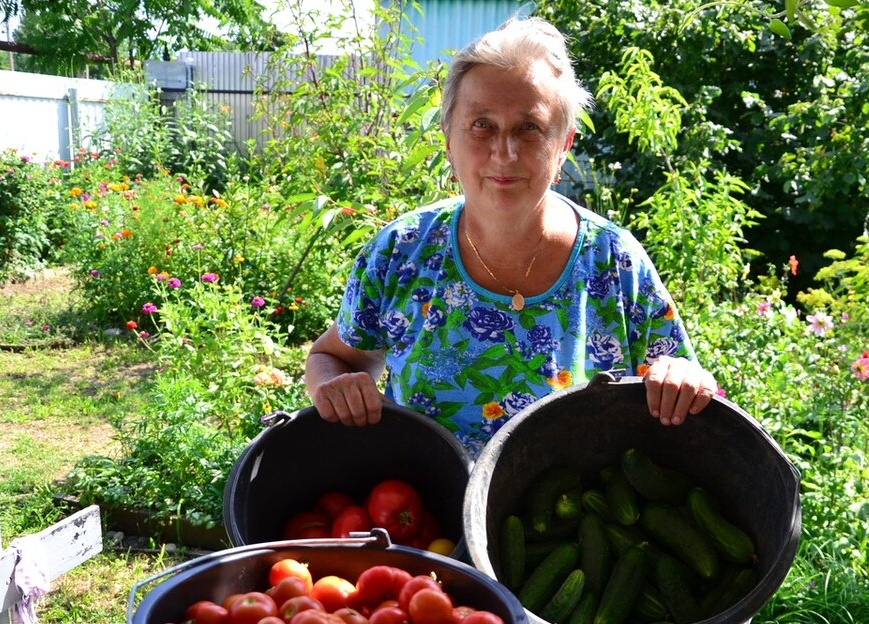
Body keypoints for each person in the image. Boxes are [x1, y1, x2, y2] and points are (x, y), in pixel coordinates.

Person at [304, 16, 717, 458]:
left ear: (563, 146)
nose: (505, 152)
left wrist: (683, 380)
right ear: (448, 140)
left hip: (570, 518)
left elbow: (677, 385)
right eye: (481, 125)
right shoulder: (402, 251)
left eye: (530, 127)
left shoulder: (616, 263)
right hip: (427, 515)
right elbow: (333, 358)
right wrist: (335, 385)